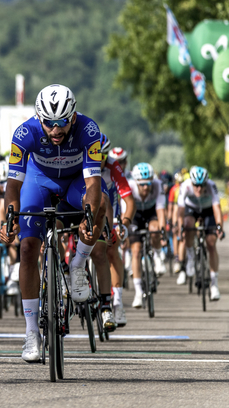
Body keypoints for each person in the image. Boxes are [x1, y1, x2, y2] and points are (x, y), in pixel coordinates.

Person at [0, 84, 106, 363]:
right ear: (39, 118)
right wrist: (9, 219)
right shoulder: (25, 133)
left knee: (101, 203)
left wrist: (89, 215)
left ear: (73, 117)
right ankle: (32, 332)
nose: (56, 130)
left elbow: (93, 183)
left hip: (75, 182)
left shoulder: (88, 130)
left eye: (62, 122)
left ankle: (78, 264)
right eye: (49, 123)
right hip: (39, 180)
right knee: (27, 249)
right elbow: (13, 185)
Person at [99, 134, 135, 327]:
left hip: (111, 211)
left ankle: (118, 302)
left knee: (112, 251)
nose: (100, 161)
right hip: (86, 209)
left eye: (104, 156)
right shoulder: (81, 163)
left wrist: (124, 224)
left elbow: (129, 201)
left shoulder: (113, 166)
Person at [175, 166, 224, 300]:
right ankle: (190, 256)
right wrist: (180, 228)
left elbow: (217, 209)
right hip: (191, 209)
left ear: (206, 183)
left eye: (202, 185)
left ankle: (214, 285)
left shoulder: (211, 186)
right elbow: (180, 211)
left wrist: (220, 227)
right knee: (188, 225)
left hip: (208, 210)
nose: (199, 189)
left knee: (211, 244)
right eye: (196, 185)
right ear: (191, 182)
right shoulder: (185, 186)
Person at [127, 163, 167, 308]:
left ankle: (157, 257)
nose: (146, 188)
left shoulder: (157, 185)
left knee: (155, 229)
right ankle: (138, 292)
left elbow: (161, 210)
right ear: (136, 182)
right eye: (142, 185)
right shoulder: (129, 186)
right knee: (136, 251)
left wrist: (162, 231)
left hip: (151, 213)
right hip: (135, 214)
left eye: (148, 184)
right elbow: (125, 211)